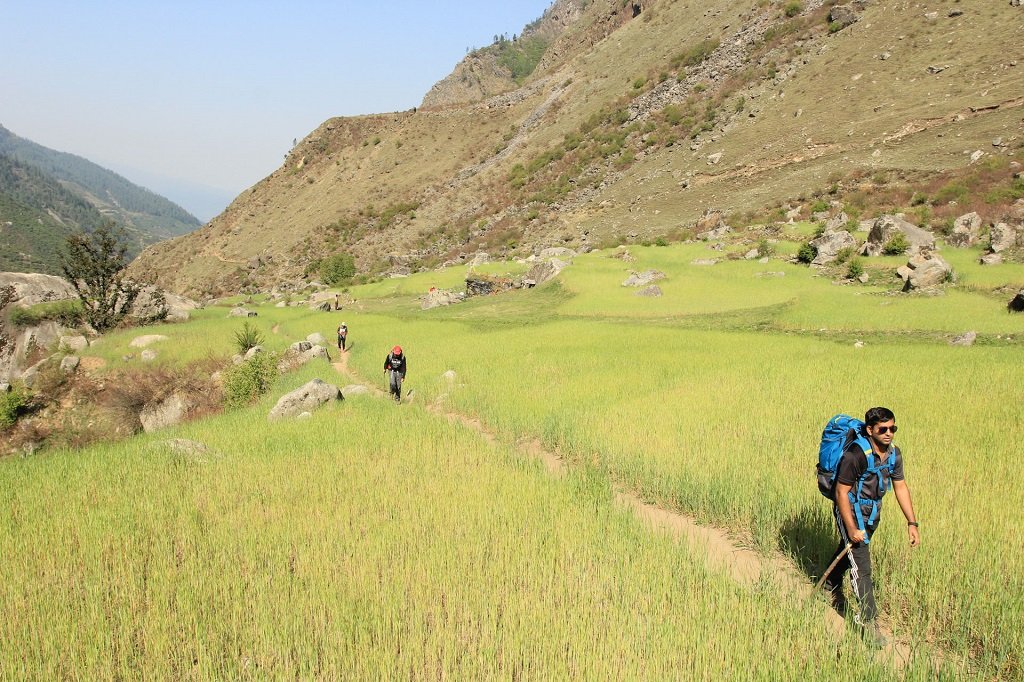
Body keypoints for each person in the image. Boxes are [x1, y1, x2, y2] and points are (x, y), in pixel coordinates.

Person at [823, 406, 920, 648]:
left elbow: (900, 487)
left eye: (893, 428)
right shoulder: (855, 455)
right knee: (862, 566)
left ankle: (828, 583)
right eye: (883, 429)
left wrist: (912, 522)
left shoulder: (894, 455)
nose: (889, 433)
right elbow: (841, 493)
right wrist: (851, 527)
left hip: (872, 514)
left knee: (850, 554)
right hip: (850, 512)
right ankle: (869, 621)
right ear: (870, 430)